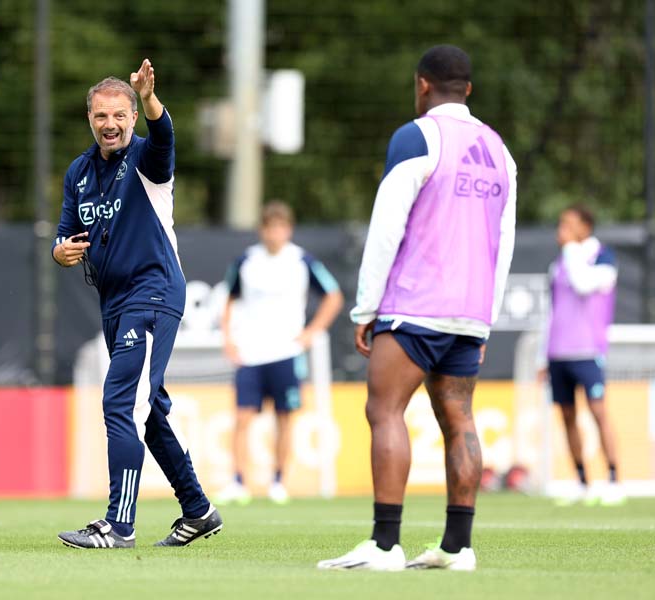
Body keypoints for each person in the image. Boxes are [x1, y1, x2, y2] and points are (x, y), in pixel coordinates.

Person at [317, 45, 517, 572]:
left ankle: (384, 545)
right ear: (468, 89)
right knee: (459, 419)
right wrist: (486, 314)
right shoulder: (500, 150)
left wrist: (366, 308)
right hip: (471, 311)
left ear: (422, 84)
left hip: (416, 305)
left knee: (384, 411)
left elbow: (387, 228)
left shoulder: (417, 135)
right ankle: (458, 548)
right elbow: (506, 239)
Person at [53, 59, 221, 549]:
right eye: (101, 116)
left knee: (120, 403)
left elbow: (164, 133)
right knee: (149, 413)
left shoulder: (147, 159)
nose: (111, 125)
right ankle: (198, 510)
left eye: (120, 116)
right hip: (114, 301)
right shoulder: (79, 173)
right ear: (90, 119)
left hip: (153, 290)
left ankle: (119, 524)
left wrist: (149, 99)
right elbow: (65, 236)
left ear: (130, 117)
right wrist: (59, 251)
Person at [215, 202, 344, 506]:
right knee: (242, 417)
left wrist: (313, 331)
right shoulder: (246, 261)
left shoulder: (302, 261)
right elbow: (228, 300)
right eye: (270, 227)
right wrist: (228, 338)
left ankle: (278, 481)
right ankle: (238, 481)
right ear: (262, 230)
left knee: (285, 418)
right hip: (250, 352)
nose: (275, 233)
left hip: (287, 352)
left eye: (281, 227)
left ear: (288, 229)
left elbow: (333, 295)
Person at [538, 205, 623, 506]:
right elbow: (551, 312)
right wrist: (541, 356)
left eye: (569, 224)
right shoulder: (558, 264)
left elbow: (584, 285)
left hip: (588, 351)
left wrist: (573, 251)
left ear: (585, 227)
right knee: (567, 417)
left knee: (599, 413)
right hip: (558, 353)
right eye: (561, 223)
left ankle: (613, 479)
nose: (562, 230)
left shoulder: (602, 257)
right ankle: (582, 481)